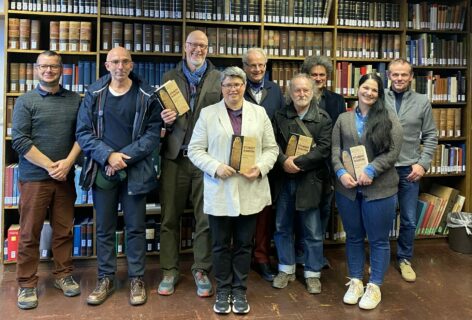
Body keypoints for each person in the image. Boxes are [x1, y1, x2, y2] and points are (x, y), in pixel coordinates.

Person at [188, 66, 278, 314]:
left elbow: (272, 149)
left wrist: (260, 167)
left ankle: (239, 290)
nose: (233, 89)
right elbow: (195, 150)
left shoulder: (259, 114)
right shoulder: (208, 114)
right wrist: (215, 167)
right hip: (221, 188)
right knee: (219, 244)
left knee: (243, 244)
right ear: (221, 88)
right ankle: (224, 289)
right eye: (228, 85)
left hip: (249, 187)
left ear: (244, 87)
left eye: (237, 84)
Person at [76, 46, 162, 306]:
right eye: (115, 61)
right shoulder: (94, 93)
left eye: (125, 61)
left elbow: (152, 133)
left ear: (132, 65)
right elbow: (83, 132)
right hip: (103, 170)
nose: (120, 66)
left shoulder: (147, 94)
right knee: (104, 228)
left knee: (136, 228)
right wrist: (108, 156)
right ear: (106, 65)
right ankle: (105, 278)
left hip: (134, 170)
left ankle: (136, 278)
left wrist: (122, 158)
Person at [12, 50, 82, 310]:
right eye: (44, 67)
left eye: (53, 66)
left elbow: (83, 136)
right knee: (30, 233)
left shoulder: (75, 100)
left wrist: (67, 163)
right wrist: (51, 166)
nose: (48, 71)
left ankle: (63, 276)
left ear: (61, 69)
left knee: (63, 231)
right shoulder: (25, 101)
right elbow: (20, 140)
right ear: (36, 70)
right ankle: (27, 284)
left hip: (65, 176)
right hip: (34, 179)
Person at [157, 30, 221, 297]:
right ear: (184, 47)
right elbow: (157, 120)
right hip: (175, 158)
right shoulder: (169, 77)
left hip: (205, 160)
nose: (198, 50)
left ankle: (201, 269)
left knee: (204, 219)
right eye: (193, 45)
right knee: (169, 218)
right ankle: (170, 271)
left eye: (203, 46)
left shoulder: (220, 79)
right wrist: (164, 120)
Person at [332, 73, 403, 310]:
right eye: (365, 88)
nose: (369, 93)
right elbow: (335, 150)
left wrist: (371, 169)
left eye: (374, 90)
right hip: (348, 190)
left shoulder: (389, 118)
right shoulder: (343, 118)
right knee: (352, 237)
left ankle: (374, 286)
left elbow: (393, 152)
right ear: (358, 89)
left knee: (378, 240)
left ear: (379, 93)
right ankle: (355, 281)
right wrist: (341, 173)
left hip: (380, 189)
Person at [271, 74, 332, 294]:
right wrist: (283, 161)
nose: (302, 94)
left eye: (306, 90)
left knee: (313, 230)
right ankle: (285, 268)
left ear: (313, 92)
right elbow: (271, 143)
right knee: (282, 227)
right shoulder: (279, 116)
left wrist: (296, 163)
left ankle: (313, 273)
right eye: (297, 90)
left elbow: (324, 148)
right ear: (289, 93)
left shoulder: (323, 118)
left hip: (310, 181)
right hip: (284, 180)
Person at [385, 58, 438, 282]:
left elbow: (431, 135)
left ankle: (405, 258)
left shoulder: (421, 101)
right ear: (388, 76)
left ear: (411, 77)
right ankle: (381, 258)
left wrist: (422, 163)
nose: (399, 78)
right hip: (383, 169)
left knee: (408, 219)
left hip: (410, 169)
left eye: (404, 75)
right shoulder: (378, 97)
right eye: (395, 74)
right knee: (382, 218)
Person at [296, 55, 346, 266]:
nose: (318, 78)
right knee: (301, 211)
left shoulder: (336, 100)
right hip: (303, 164)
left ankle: (316, 254)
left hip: (327, 166)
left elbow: (341, 130)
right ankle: (300, 253)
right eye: (313, 74)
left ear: (327, 77)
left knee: (324, 209)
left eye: (322, 75)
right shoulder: (297, 97)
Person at [242, 47, 284, 281]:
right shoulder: (236, 86)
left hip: (269, 161)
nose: (257, 69)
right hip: (242, 159)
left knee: (265, 213)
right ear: (244, 66)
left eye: (261, 65)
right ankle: (240, 255)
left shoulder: (275, 90)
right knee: (240, 211)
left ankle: (261, 257)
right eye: (252, 65)